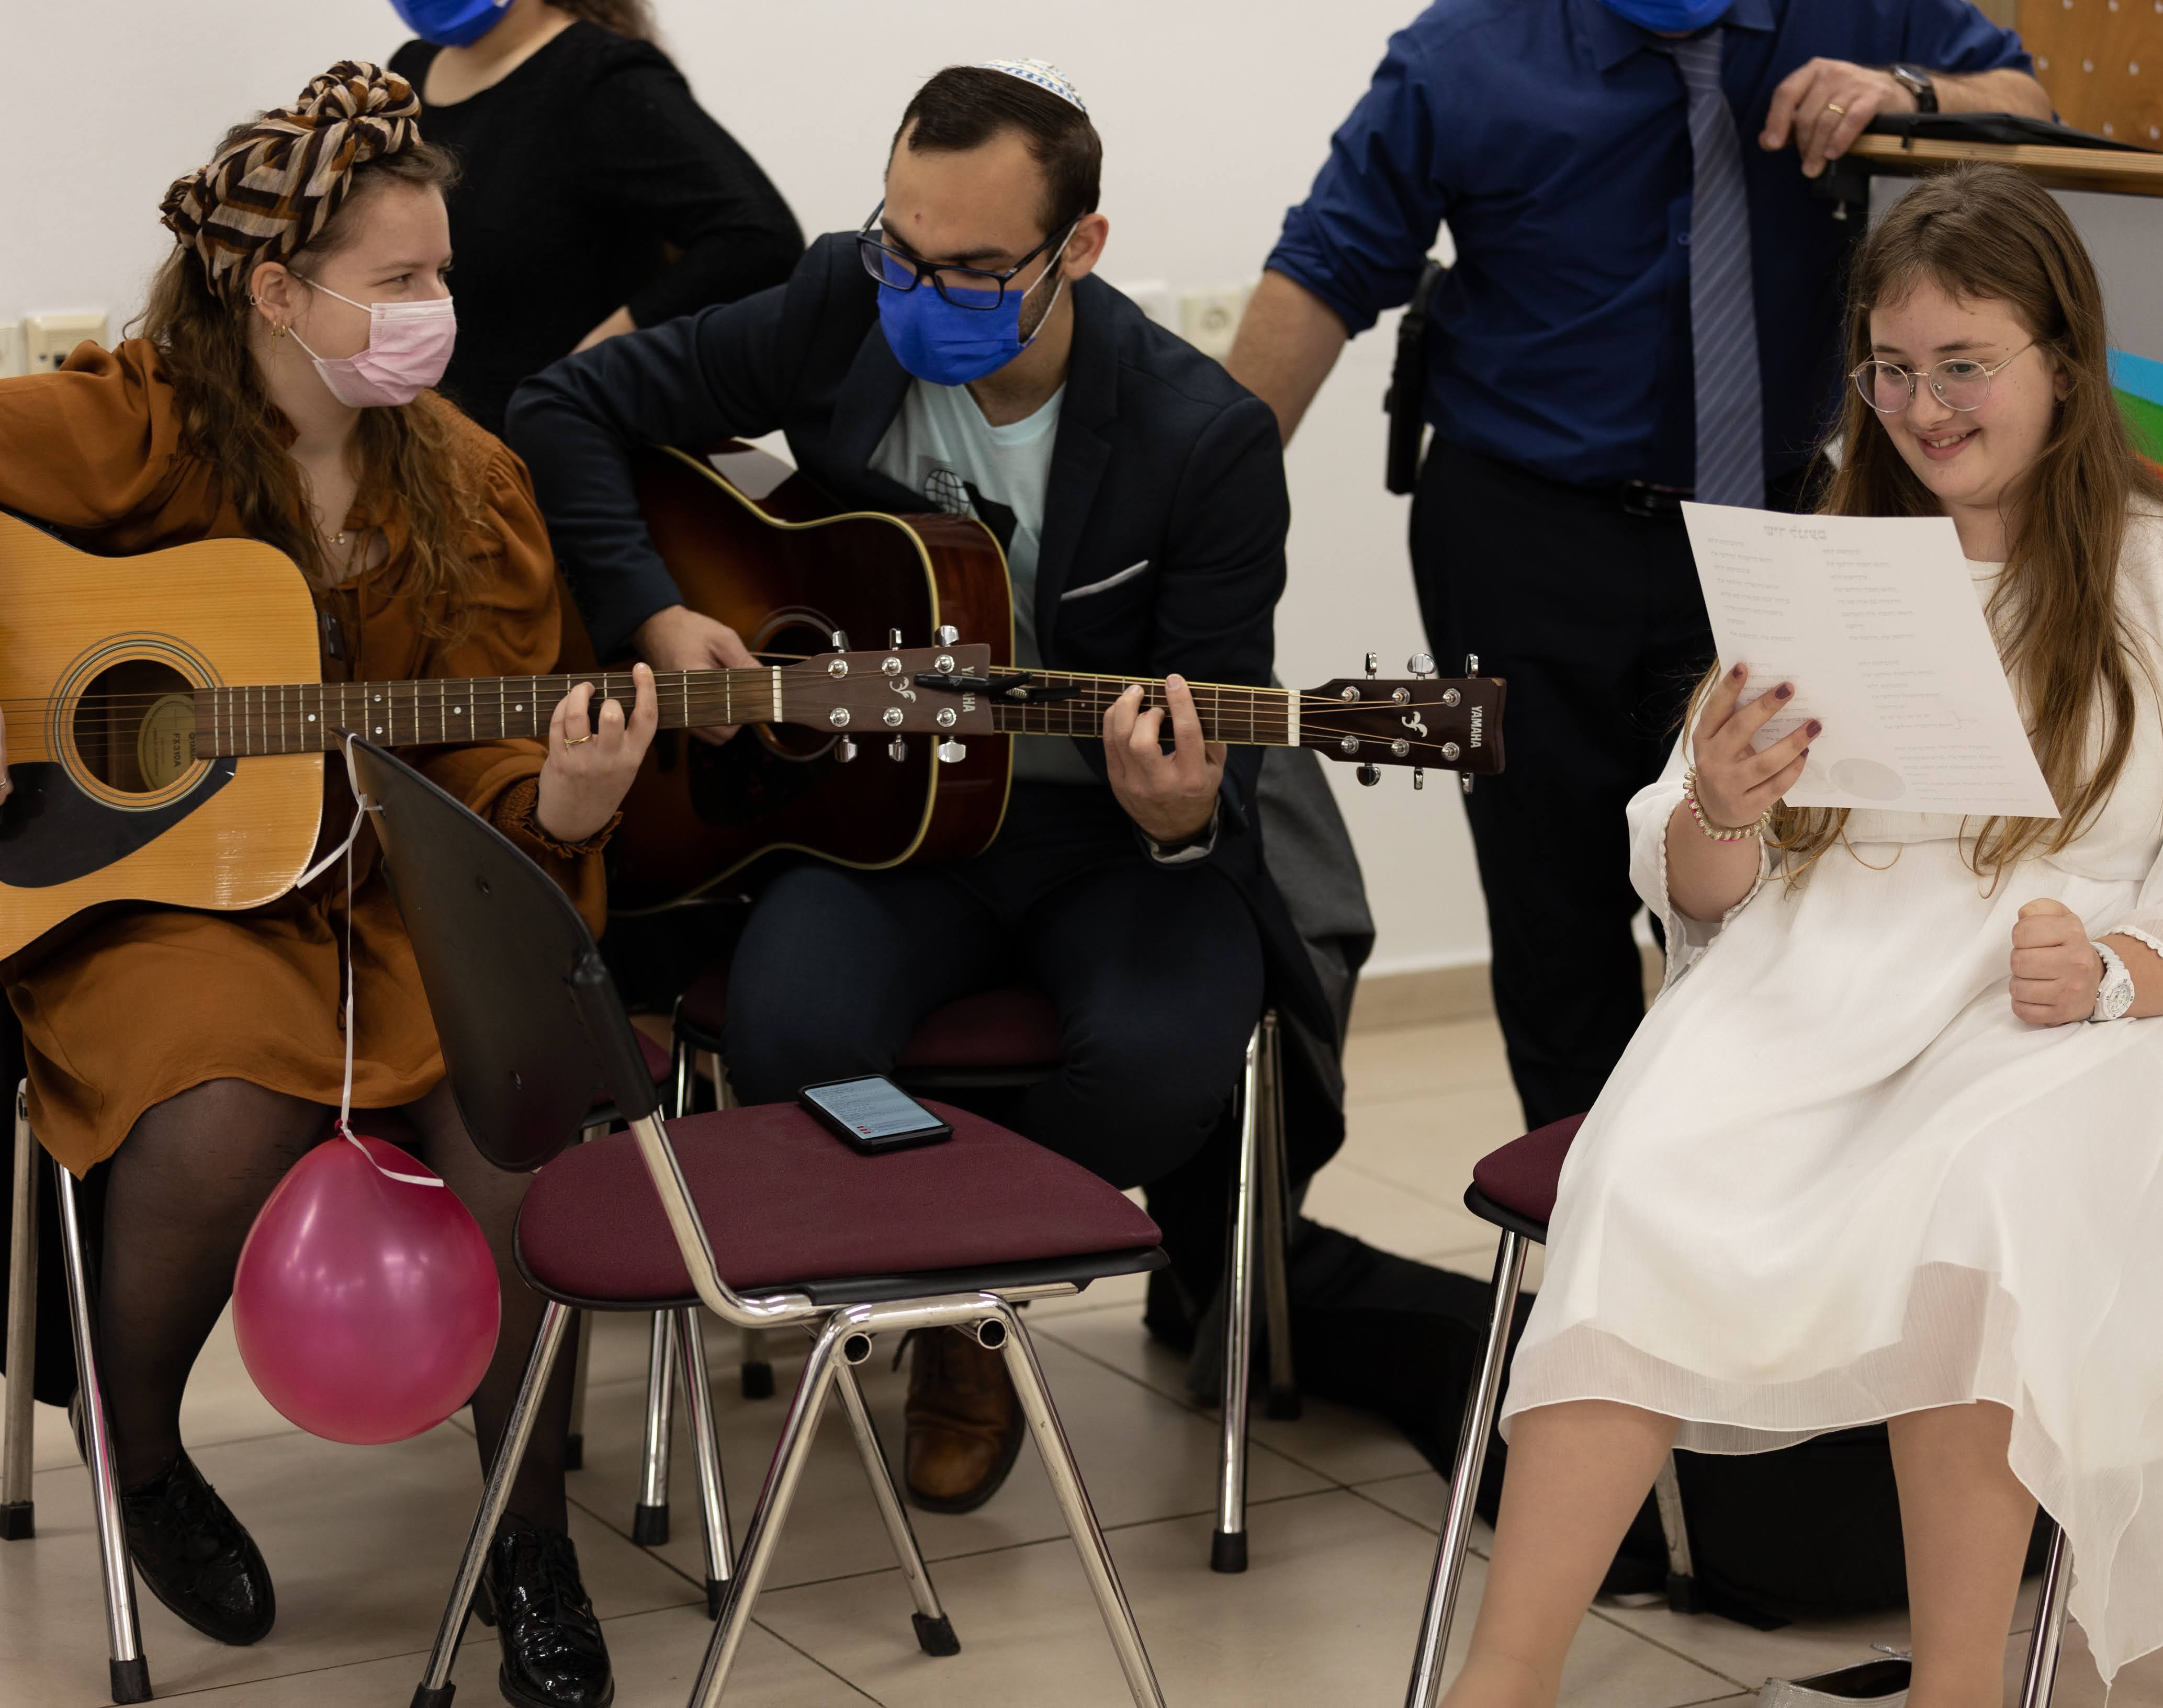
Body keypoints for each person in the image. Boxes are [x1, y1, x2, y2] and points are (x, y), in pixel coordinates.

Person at [1441, 165, 2163, 1708]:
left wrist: (2115, 971)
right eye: (1891, 370)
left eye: (1963, 365)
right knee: (1639, 1168)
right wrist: (1721, 802)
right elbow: (1699, 889)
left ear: (2064, 362)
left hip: (2051, 1010)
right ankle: (1500, 1680)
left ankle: (1955, 1687)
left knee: (1979, 1211)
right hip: (1810, 980)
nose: (1922, 408)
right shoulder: (1823, 568)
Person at [508, 59, 1325, 1515]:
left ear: (1079, 248)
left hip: (1101, 839)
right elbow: (564, 402)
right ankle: (954, 1295)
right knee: (788, 1032)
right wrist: (649, 609)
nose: (918, 291)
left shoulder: (1199, 440)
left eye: (970, 270)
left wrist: (1180, 813)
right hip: (883, 821)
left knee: (1159, 1068)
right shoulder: (844, 300)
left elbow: (1219, 727)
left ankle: (962, 1305)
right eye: (901, 246)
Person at [0, 65, 654, 1708]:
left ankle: (530, 1540)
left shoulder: (471, 482)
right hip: (168, 895)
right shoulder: (128, 426)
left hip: (396, 892)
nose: (437, 310)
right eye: (399, 278)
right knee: (221, 1101)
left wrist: (563, 797)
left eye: (444, 274)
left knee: (512, 1119)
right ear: (276, 292)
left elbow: (493, 753)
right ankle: (142, 1447)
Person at [1227, 0, 2050, 1129]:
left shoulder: (1863, 9)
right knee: (1552, 915)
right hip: (1524, 533)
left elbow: (2025, 104)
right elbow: (1321, 272)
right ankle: (1577, 1205)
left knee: (1778, 886)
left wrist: (1910, 93)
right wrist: (1196, 510)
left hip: (1773, 527)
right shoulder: (1464, 52)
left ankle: (1743, 1182)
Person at [386, 0, 802, 433]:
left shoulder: (601, 78)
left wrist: (598, 358)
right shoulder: (409, 71)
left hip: (544, 448)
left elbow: (760, 236)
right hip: (425, 438)